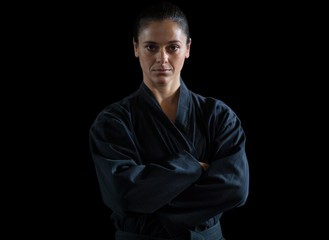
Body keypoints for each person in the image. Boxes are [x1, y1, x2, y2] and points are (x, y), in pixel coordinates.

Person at [89, 1, 249, 239]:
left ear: (187, 48)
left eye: (172, 47)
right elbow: (123, 196)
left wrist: (151, 202)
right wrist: (193, 166)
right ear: (136, 48)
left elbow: (235, 188)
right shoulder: (113, 122)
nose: (162, 58)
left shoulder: (218, 115)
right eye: (151, 47)